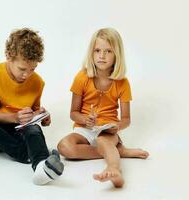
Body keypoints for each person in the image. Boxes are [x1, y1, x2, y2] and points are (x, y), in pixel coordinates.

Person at [0, 28, 64, 185]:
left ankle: (40, 167)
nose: (27, 74)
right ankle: (35, 154)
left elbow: (32, 114)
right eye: (22, 69)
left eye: (32, 69)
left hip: (20, 131)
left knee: (34, 129)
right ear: (8, 57)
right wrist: (14, 117)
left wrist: (42, 116)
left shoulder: (38, 82)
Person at [57, 28, 149, 188]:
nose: (102, 55)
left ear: (117, 56)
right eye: (97, 50)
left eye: (108, 51)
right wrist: (85, 120)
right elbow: (73, 113)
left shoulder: (122, 83)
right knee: (63, 146)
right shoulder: (82, 77)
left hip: (107, 130)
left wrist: (117, 126)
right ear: (91, 53)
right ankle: (118, 152)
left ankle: (114, 169)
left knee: (102, 141)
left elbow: (126, 119)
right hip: (84, 128)